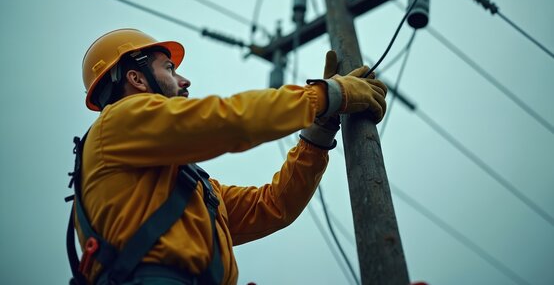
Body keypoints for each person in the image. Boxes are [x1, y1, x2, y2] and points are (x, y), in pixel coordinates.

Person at [68, 28, 387, 285]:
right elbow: (231, 121)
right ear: (136, 79)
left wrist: (319, 131)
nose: (184, 80)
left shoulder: (186, 189)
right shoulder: (118, 121)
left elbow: (274, 205)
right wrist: (327, 96)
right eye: (169, 69)